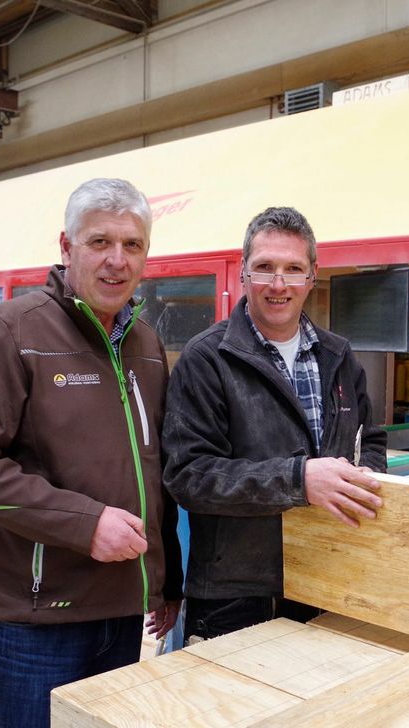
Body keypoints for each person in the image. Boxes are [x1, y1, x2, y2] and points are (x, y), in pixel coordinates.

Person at [0, 178, 183, 728]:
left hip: (122, 610)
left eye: (133, 245)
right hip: (38, 619)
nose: (117, 261)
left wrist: (164, 582)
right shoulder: (7, 330)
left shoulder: (143, 344)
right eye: (99, 243)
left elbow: (153, 470)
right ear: (67, 247)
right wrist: (85, 523)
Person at [161, 205, 386, 643]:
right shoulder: (208, 360)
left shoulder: (339, 357)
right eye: (265, 268)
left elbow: (370, 439)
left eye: (293, 269)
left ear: (312, 276)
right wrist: (298, 480)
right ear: (244, 274)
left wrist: (368, 476)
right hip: (236, 597)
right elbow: (188, 475)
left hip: (329, 580)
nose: (279, 285)